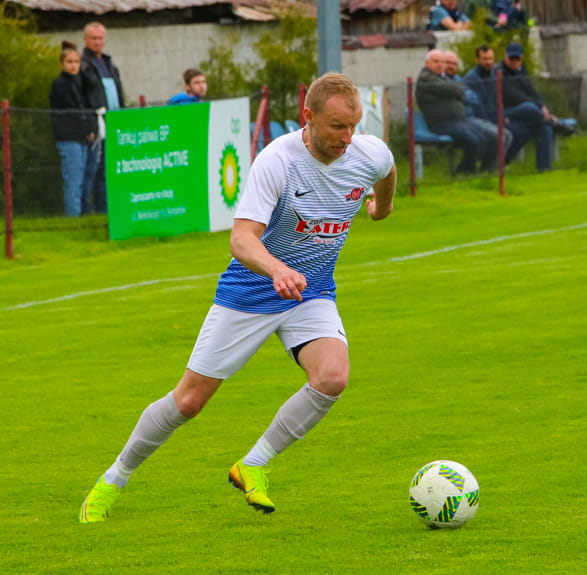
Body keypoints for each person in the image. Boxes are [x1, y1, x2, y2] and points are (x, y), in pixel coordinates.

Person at [78, 73, 398, 523]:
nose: (347, 138)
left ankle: (253, 464)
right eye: (337, 127)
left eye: (353, 126)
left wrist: (380, 208)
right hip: (251, 290)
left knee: (333, 376)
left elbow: (385, 171)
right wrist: (277, 269)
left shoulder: (366, 153)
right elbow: (242, 241)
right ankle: (113, 479)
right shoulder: (278, 162)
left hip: (312, 291)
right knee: (189, 401)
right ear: (308, 117)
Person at [496, 42, 574, 172]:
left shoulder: (522, 72)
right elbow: (512, 95)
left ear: (521, 58)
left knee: (544, 129)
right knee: (529, 107)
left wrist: (545, 107)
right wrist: (538, 106)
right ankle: (554, 124)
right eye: (511, 58)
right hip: (508, 112)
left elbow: (533, 92)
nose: (514, 61)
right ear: (505, 57)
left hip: (529, 115)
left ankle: (544, 170)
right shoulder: (500, 72)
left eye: (517, 58)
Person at [416, 50, 492, 174]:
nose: (440, 65)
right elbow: (454, 89)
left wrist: (455, 90)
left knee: (481, 137)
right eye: (436, 61)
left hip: (456, 122)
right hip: (441, 124)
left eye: (442, 62)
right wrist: (456, 90)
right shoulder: (426, 78)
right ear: (427, 63)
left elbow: (458, 90)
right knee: (472, 141)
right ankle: (465, 171)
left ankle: (470, 170)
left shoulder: (440, 77)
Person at [49, 42, 99, 218]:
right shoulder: (60, 85)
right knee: (74, 180)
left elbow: (88, 105)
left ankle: (85, 213)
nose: (74, 65)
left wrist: (90, 129)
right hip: (69, 137)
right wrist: (87, 129)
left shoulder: (80, 82)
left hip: (82, 137)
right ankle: (73, 218)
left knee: (85, 177)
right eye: (70, 62)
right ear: (62, 64)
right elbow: (72, 109)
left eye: (77, 62)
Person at [80, 21, 124, 215]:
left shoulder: (109, 64)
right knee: (96, 169)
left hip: (115, 121)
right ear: (85, 40)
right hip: (98, 123)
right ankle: (96, 210)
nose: (97, 42)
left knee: (111, 167)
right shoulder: (83, 65)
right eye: (93, 38)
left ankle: (110, 208)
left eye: (100, 38)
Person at [442, 50, 512, 169]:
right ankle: (485, 170)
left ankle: (489, 170)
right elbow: (460, 98)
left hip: (472, 117)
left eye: (454, 63)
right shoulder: (443, 81)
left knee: (507, 135)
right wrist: (463, 95)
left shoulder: (459, 79)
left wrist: (462, 96)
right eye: (448, 62)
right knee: (497, 136)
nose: (451, 66)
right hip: (461, 121)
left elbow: (474, 98)